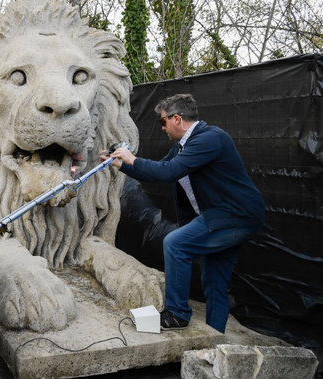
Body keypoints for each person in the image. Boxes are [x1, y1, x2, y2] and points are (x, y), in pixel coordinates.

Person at [101, 93, 264, 333]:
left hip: (234, 215)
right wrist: (120, 164)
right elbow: (157, 172)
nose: (162, 128)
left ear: (177, 119)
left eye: (163, 121)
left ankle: (177, 313)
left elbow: (169, 172)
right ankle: (214, 338)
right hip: (224, 217)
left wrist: (132, 158)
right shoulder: (183, 147)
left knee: (176, 243)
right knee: (214, 281)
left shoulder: (210, 139)